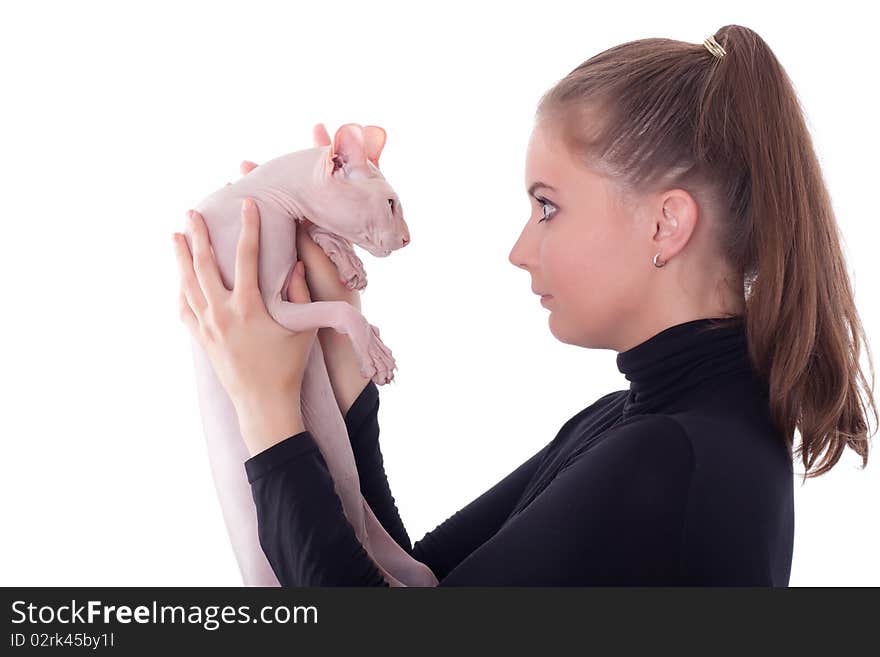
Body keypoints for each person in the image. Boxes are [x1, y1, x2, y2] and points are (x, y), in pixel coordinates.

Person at [173, 25, 875, 586]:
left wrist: (267, 410)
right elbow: (426, 582)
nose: (518, 247)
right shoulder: (641, 423)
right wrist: (334, 364)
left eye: (548, 206)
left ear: (666, 224)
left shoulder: (666, 459)